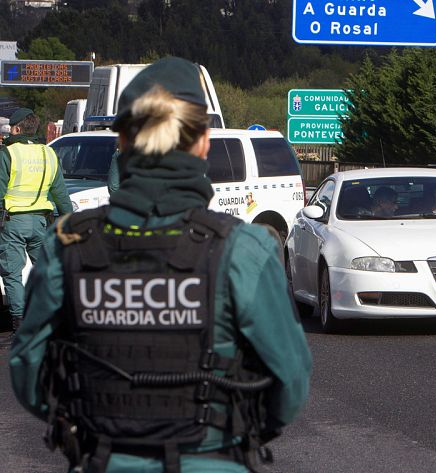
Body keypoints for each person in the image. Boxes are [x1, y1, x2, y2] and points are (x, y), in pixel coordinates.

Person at [9, 57, 312, 472]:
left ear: (122, 144)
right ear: (203, 141)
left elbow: (29, 372)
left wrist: (93, 424)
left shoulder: (67, 245)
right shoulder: (244, 249)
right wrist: (234, 432)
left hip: (101, 459)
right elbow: (289, 382)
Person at [0, 107, 71, 346]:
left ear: (18, 128)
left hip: (13, 223)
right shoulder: (48, 153)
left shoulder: (7, 153)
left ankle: (20, 324)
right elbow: (60, 193)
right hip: (42, 221)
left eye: (11, 127)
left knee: (12, 273)